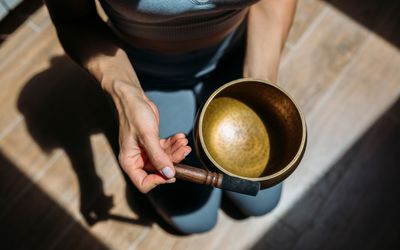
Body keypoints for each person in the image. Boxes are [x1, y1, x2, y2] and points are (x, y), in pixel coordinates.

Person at [44, 0, 297, 234]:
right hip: (144, 73)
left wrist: (259, 83)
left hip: (235, 52)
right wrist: (125, 95)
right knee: (196, 219)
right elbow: (74, 20)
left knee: (262, 201)